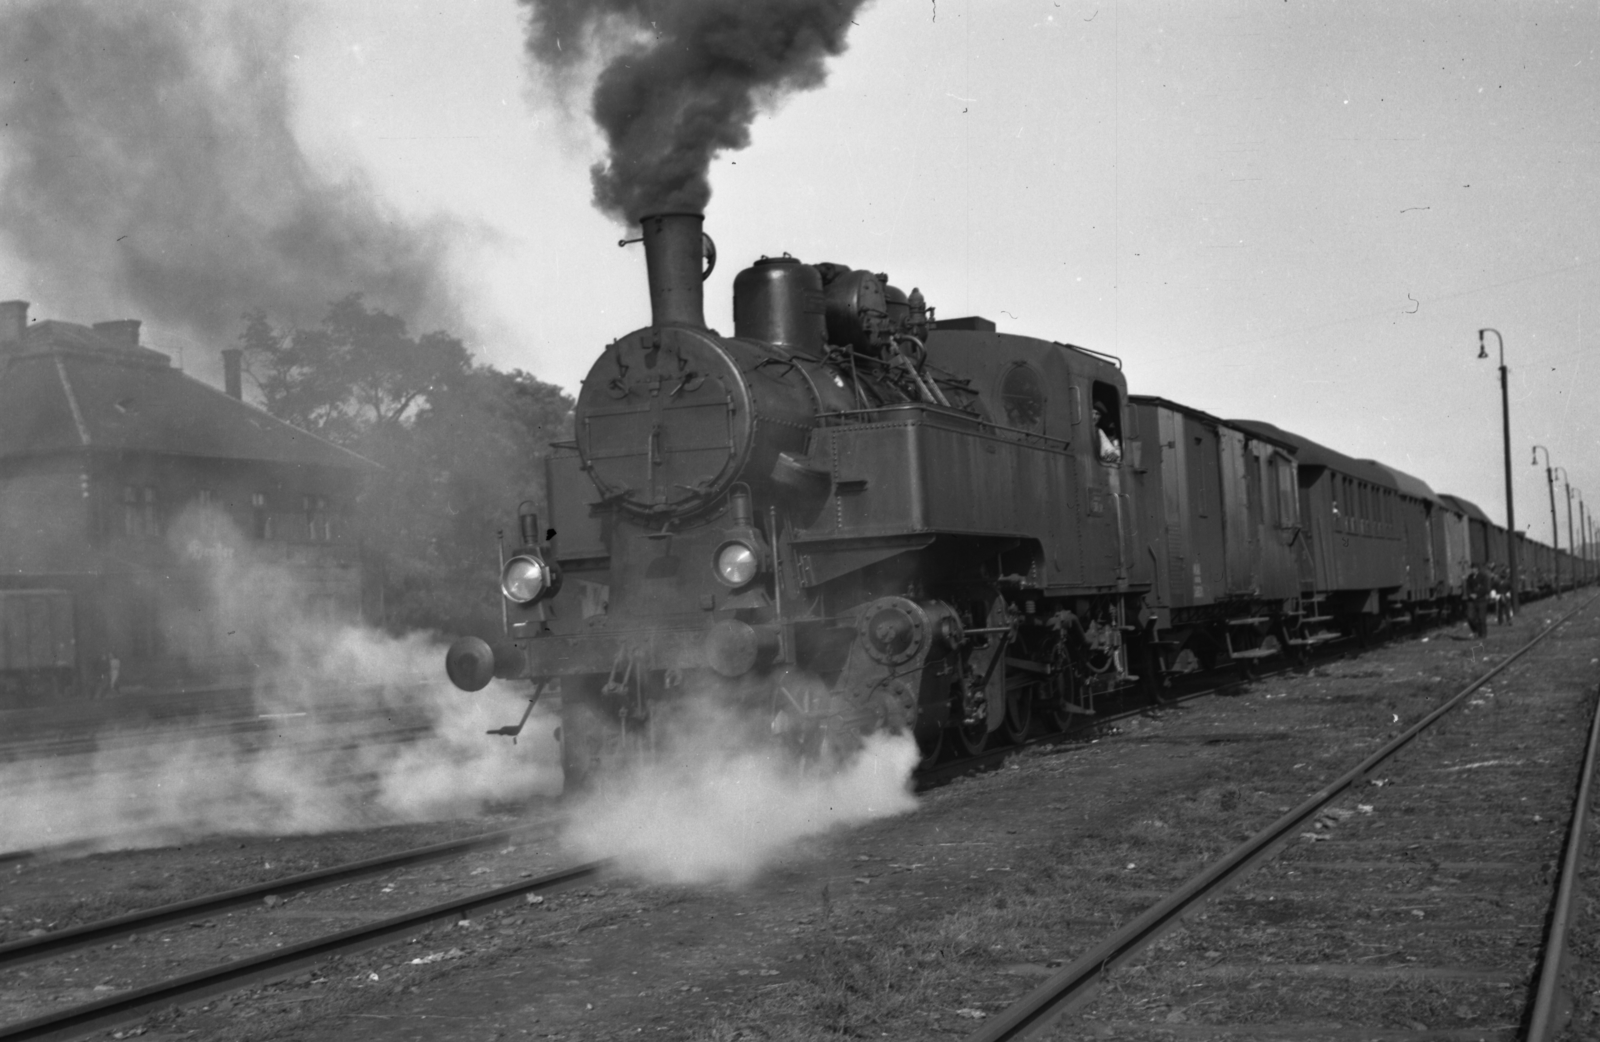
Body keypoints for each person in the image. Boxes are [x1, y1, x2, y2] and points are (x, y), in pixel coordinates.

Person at [1464, 565, 1489, 638]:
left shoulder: (1483, 576)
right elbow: (1467, 588)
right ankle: (1476, 630)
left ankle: (1483, 634)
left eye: (1473, 568)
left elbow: (1485, 588)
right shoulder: (1470, 577)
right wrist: (1470, 594)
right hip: (1471, 600)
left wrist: (1477, 595)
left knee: (1481, 618)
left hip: (1481, 599)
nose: (1472, 570)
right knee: (1470, 617)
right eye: (1471, 568)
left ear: (1477, 569)